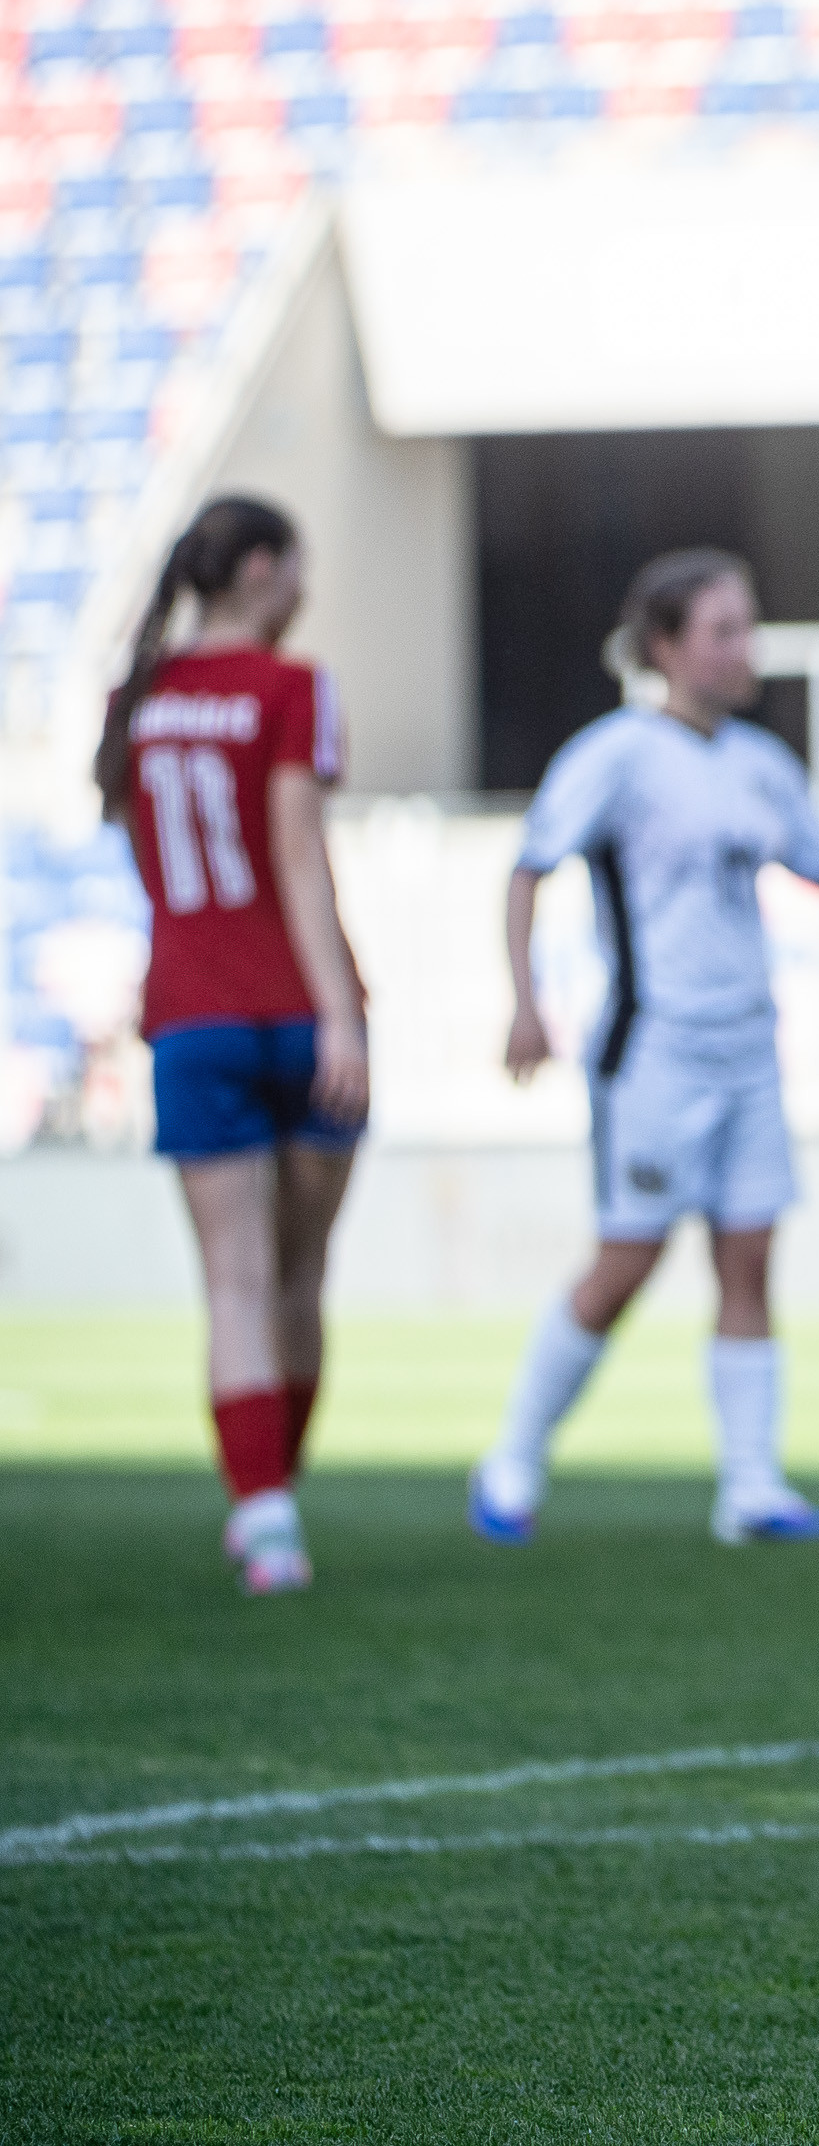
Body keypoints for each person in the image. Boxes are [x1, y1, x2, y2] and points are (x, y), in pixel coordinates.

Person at [466, 550, 819, 1548]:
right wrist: (526, 1002)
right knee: (625, 1263)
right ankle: (514, 1456)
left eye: (748, 627)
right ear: (664, 646)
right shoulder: (617, 755)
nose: (746, 649)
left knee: (749, 1258)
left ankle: (751, 1489)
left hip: (747, 1051)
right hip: (654, 1051)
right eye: (723, 630)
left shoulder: (757, 764)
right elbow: (528, 868)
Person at [97, 496, 366, 1597]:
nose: (304, 587)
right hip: (298, 1013)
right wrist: (342, 1011)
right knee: (299, 1278)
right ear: (260, 569)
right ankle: (275, 1491)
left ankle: (265, 1522)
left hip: (193, 1017)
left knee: (236, 1284)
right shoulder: (290, 687)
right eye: (297, 566)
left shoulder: (139, 698)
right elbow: (299, 858)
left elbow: (150, 864)